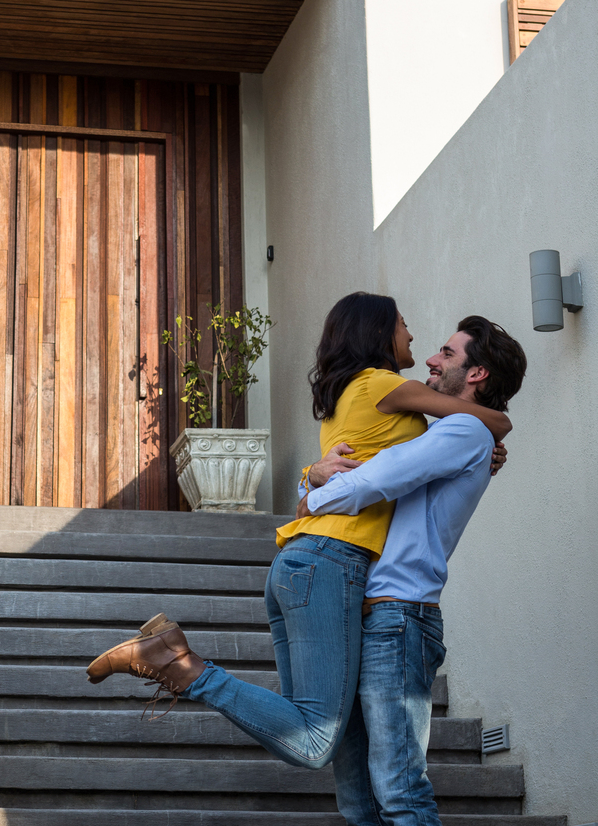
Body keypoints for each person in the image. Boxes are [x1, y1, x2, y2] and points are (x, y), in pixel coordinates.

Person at [86, 293, 510, 774]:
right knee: (313, 739)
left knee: (312, 727)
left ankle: (180, 665)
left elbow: (362, 465)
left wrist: (311, 477)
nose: (413, 337)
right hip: (333, 560)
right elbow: (491, 421)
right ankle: (181, 667)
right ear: (378, 334)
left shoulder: (349, 391)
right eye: (403, 324)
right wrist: (495, 435)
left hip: (302, 560)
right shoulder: (385, 384)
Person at [301, 316, 528, 826]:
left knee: (401, 793)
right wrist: (315, 472)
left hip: (400, 618)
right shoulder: (450, 432)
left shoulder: (460, 433)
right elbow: (359, 471)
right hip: (370, 613)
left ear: (477, 374)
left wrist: (313, 490)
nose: (431, 358)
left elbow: (361, 488)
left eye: (448, 353)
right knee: (365, 807)